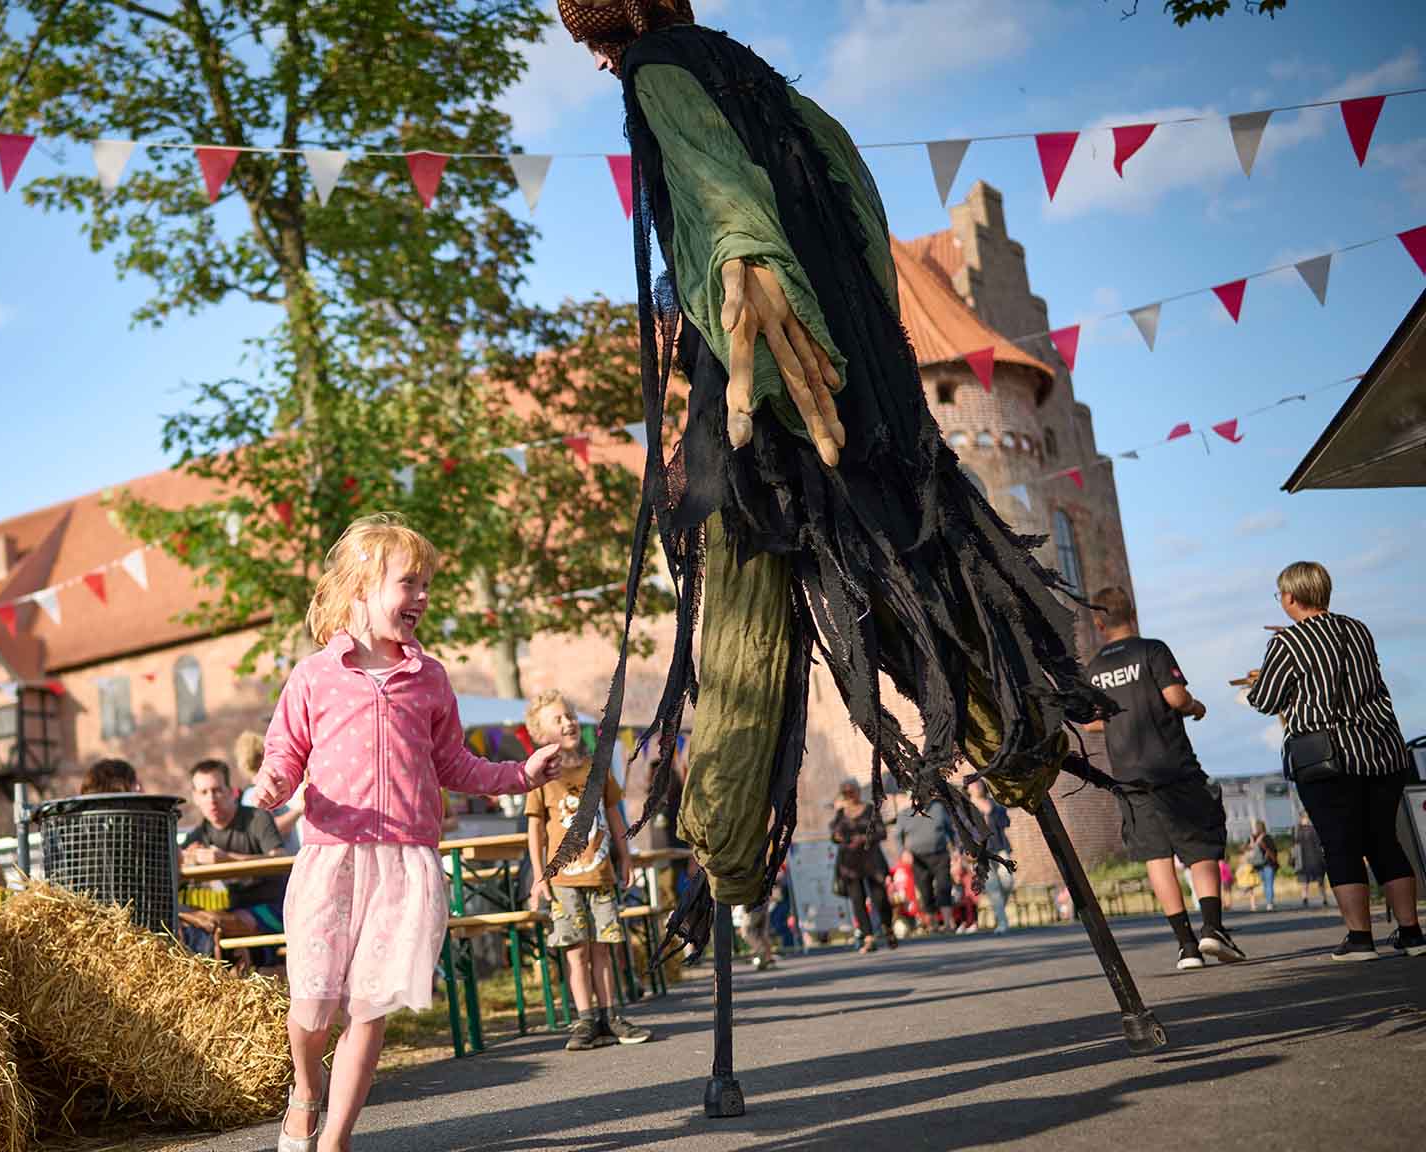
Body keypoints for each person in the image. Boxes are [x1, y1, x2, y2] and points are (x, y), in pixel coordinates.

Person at [545, 1, 1119, 937]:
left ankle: (727, 859)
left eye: (600, 46)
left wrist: (746, 266)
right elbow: (858, 206)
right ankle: (1020, 756)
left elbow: (719, 190)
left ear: (620, 31)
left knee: (741, 643)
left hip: (762, 412)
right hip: (869, 408)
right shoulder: (773, 85)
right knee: (921, 596)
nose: (606, 67)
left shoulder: (660, 73)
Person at [248, 514, 561, 1151]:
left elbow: (455, 764)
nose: (421, 597)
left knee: (369, 1007)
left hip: (405, 865)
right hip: (331, 858)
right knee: (312, 1011)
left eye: (426, 585)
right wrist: (275, 782)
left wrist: (521, 773)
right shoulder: (313, 676)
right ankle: (306, 1093)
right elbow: (285, 750)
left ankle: (335, 1139)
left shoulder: (430, 678)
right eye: (409, 583)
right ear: (362, 586)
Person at [1244, 561, 1422, 960]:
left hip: (1327, 757)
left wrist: (1260, 678)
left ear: (1290, 596)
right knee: (1383, 840)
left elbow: (1265, 700)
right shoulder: (1358, 629)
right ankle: (1411, 932)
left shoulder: (1287, 643)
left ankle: (1360, 938)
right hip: (1382, 749)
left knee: (1340, 844)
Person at [1084, 585, 1244, 971]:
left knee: (1157, 857)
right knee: (1200, 844)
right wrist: (1197, 706)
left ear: (1099, 622)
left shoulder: (1094, 669)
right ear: (1132, 614)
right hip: (1173, 765)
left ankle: (1186, 945)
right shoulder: (1152, 650)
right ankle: (1212, 928)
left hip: (1128, 775)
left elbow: (1090, 721)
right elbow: (1175, 697)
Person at [523, 689, 652, 1049]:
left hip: (600, 875)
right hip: (562, 879)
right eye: (558, 719)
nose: (568, 722)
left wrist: (625, 857)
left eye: (570, 715)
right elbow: (534, 828)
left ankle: (611, 1015)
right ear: (540, 734)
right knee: (575, 949)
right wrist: (539, 876)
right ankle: (585, 1020)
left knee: (603, 947)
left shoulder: (597, 767)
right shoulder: (541, 775)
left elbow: (613, 815)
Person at [180, 759, 287, 944]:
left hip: (275, 907)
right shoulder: (198, 836)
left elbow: (281, 859)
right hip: (230, 911)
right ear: (195, 798)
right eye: (204, 792)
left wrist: (228, 859)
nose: (211, 799)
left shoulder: (257, 818)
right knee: (195, 922)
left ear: (231, 791)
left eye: (217, 790)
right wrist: (186, 860)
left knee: (216, 923)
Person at [828, 781, 894, 953]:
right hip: (849, 864)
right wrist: (838, 836)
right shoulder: (841, 814)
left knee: (880, 899)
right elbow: (833, 836)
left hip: (871, 861)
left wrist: (865, 839)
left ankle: (887, 928)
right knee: (857, 901)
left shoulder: (870, 809)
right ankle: (868, 937)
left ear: (858, 792)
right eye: (845, 792)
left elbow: (882, 832)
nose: (849, 795)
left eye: (851, 791)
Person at [236, 729, 304, 854]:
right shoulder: (254, 795)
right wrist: (300, 810)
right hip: (278, 866)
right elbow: (270, 829)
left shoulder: (265, 789)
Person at [896, 799, 955, 933]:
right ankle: (932, 924)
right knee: (925, 890)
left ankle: (947, 923)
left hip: (940, 854)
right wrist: (903, 852)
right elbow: (897, 836)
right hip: (918, 859)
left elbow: (950, 830)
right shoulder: (904, 814)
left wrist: (956, 848)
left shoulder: (938, 808)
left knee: (944, 886)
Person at [967, 780, 1014, 933]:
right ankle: (1002, 923)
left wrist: (992, 811)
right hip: (981, 852)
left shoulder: (995, 805)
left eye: (978, 784)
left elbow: (1006, 822)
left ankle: (999, 911)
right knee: (993, 887)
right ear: (968, 789)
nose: (976, 787)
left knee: (1008, 881)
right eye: (972, 785)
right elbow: (963, 831)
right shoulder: (966, 808)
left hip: (1000, 848)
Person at [1294, 818, 1331, 908]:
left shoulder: (1297, 832)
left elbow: (1295, 848)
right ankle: (1324, 899)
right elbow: (1319, 846)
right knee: (1320, 882)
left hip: (1303, 862)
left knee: (1304, 882)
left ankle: (1305, 898)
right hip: (1316, 861)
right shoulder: (1314, 831)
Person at [1246, 821, 1279, 912]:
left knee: (1265, 884)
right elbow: (1273, 850)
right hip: (1268, 864)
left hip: (1257, 865)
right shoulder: (1267, 838)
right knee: (1269, 884)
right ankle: (1269, 903)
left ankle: (1269, 901)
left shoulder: (1252, 838)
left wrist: (1251, 844)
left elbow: (1244, 848)